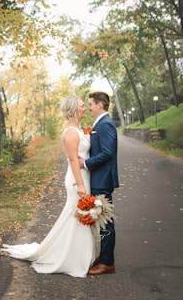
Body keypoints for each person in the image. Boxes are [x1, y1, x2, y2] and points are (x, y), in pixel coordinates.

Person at [0, 95, 95, 277]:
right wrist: (81, 185)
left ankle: (79, 255)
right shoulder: (70, 133)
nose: (85, 109)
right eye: (83, 106)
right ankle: (71, 258)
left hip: (84, 176)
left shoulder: (78, 129)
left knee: (79, 216)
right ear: (75, 109)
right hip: (77, 179)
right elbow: (73, 159)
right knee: (77, 216)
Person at [79, 91, 119, 275]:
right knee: (102, 220)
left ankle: (107, 263)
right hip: (99, 179)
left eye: (91, 104)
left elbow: (107, 153)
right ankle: (104, 257)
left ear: (100, 105)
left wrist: (86, 163)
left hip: (102, 180)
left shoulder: (106, 125)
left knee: (105, 222)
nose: (88, 108)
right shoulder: (101, 123)